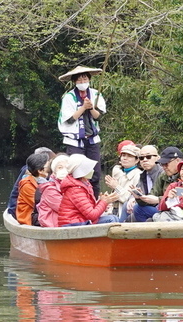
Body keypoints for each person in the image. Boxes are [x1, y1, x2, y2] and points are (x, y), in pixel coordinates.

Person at [57, 66, 106, 196]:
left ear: (89, 79)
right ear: (74, 82)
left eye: (84, 78)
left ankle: (94, 201)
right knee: (76, 172)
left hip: (92, 139)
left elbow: (98, 116)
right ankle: (76, 200)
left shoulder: (96, 94)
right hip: (74, 141)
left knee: (95, 174)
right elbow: (69, 120)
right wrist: (83, 107)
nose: (82, 81)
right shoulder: (69, 97)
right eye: (79, 79)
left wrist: (90, 108)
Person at [58, 153, 120, 226]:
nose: (92, 170)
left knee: (114, 218)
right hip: (73, 223)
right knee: (111, 219)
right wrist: (104, 202)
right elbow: (91, 215)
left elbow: (88, 210)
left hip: (81, 221)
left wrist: (102, 201)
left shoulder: (83, 184)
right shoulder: (75, 189)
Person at [131, 146, 183, 223]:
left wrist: (158, 200)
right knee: (137, 209)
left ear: (177, 161)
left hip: (180, 212)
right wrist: (140, 198)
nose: (164, 167)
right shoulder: (163, 176)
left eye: (166, 164)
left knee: (138, 210)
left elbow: (181, 200)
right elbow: (153, 194)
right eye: (162, 164)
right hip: (164, 209)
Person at [7, 147, 55, 218]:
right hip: (32, 215)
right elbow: (15, 193)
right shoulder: (28, 182)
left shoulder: (50, 175)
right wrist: (12, 210)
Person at [104, 142, 142, 221]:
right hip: (115, 210)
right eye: (123, 155)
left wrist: (116, 186)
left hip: (127, 213)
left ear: (137, 160)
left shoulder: (138, 175)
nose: (125, 158)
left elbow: (127, 199)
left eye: (129, 156)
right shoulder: (119, 172)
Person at [125, 145, 162, 221]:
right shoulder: (143, 175)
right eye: (141, 158)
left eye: (148, 157)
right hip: (147, 205)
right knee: (129, 207)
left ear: (158, 158)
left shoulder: (163, 173)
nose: (144, 160)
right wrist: (135, 198)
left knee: (137, 209)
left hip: (161, 207)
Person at [16, 150, 51, 225]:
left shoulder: (44, 181)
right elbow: (39, 204)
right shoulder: (27, 185)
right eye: (48, 167)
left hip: (40, 215)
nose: (50, 169)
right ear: (40, 171)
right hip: (29, 219)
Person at [37, 154, 71, 227]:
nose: (64, 170)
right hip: (54, 225)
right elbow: (65, 209)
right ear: (54, 172)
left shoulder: (73, 185)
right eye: (60, 167)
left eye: (67, 167)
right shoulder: (50, 189)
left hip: (69, 221)